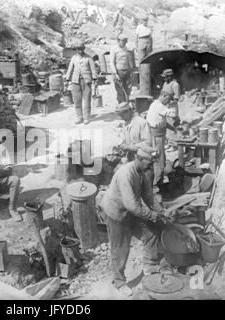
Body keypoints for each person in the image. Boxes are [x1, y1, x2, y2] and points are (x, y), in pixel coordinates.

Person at [100, 144, 167, 292]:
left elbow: (148, 195)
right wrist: (152, 215)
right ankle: (119, 282)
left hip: (130, 211)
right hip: (116, 213)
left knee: (150, 232)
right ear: (139, 159)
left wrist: (160, 211)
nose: (151, 167)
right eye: (149, 163)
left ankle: (149, 266)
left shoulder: (142, 172)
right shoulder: (127, 173)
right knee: (120, 248)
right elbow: (132, 206)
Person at [146, 91, 176, 187]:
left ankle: (157, 181)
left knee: (158, 158)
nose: (168, 102)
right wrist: (174, 104)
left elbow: (162, 121)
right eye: (168, 99)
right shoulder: (160, 107)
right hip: (157, 137)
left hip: (156, 135)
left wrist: (173, 128)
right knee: (159, 160)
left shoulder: (154, 104)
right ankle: (157, 185)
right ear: (164, 96)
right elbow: (173, 114)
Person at [65, 40, 97, 125]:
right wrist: (67, 79)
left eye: (82, 49)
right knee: (77, 100)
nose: (80, 51)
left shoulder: (88, 58)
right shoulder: (74, 58)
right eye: (78, 49)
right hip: (75, 81)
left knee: (87, 100)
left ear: (84, 49)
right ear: (76, 50)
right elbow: (70, 69)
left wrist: (94, 78)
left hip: (86, 81)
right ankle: (79, 117)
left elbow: (93, 69)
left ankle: (86, 117)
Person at [110, 34, 134, 104]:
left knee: (127, 89)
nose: (123, 42)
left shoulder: (127, 48)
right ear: (118, 41)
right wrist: (115, 73)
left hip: (127, 71)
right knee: (120, 90)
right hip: (118, 72)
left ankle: (127, 104)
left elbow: (130, 60)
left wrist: (131, 71)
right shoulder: (114, 49)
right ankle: (121, 105)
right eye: (121, 41)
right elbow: (112, 62)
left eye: (124, 41)